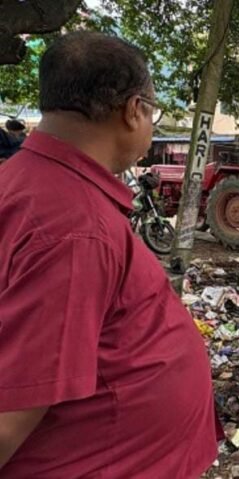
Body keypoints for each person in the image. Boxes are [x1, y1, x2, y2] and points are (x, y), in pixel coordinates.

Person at [0, 32, 220, 477]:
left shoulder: (29, 181)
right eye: (152, 112)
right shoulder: (74, 230)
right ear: (134, 110)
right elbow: (12, 417)